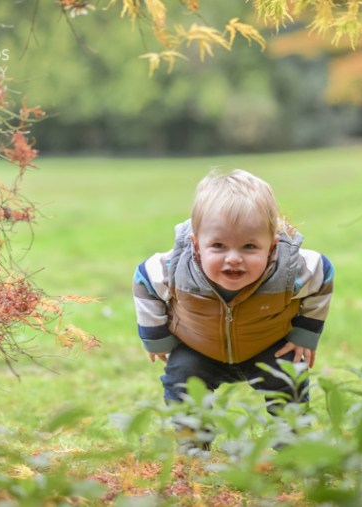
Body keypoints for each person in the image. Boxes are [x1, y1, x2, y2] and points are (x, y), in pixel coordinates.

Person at [132, 169, 334, 448]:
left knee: (289, 375)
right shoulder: (177, 267)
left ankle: (294, 445)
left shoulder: (290, 269)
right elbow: (144, 281)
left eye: (250, 246)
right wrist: (156, 338)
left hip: (268, 344)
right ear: (197, 245)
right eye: (218, 246)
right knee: (182, 378)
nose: (233, 259)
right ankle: (192, 444)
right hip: (198, 347)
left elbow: (323, 276)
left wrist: (305, 334)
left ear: (272, 246)